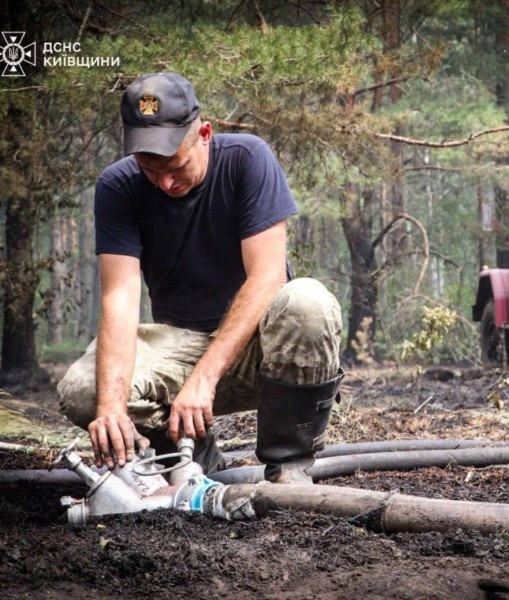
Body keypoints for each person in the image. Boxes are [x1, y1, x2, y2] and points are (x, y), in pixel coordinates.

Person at [58, 72, 343, 484]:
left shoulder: (247, 160)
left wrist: (204, 379)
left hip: (260, 351)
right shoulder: (118, 187)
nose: (166, 182)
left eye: (175, 166)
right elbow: (119, 299)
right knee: (85, 389)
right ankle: (191, 457)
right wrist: (111, 407)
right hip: (178, 349)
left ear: (205, 134)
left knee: (308, 302)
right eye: (150, 170)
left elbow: (268, 278)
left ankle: (289, 467)